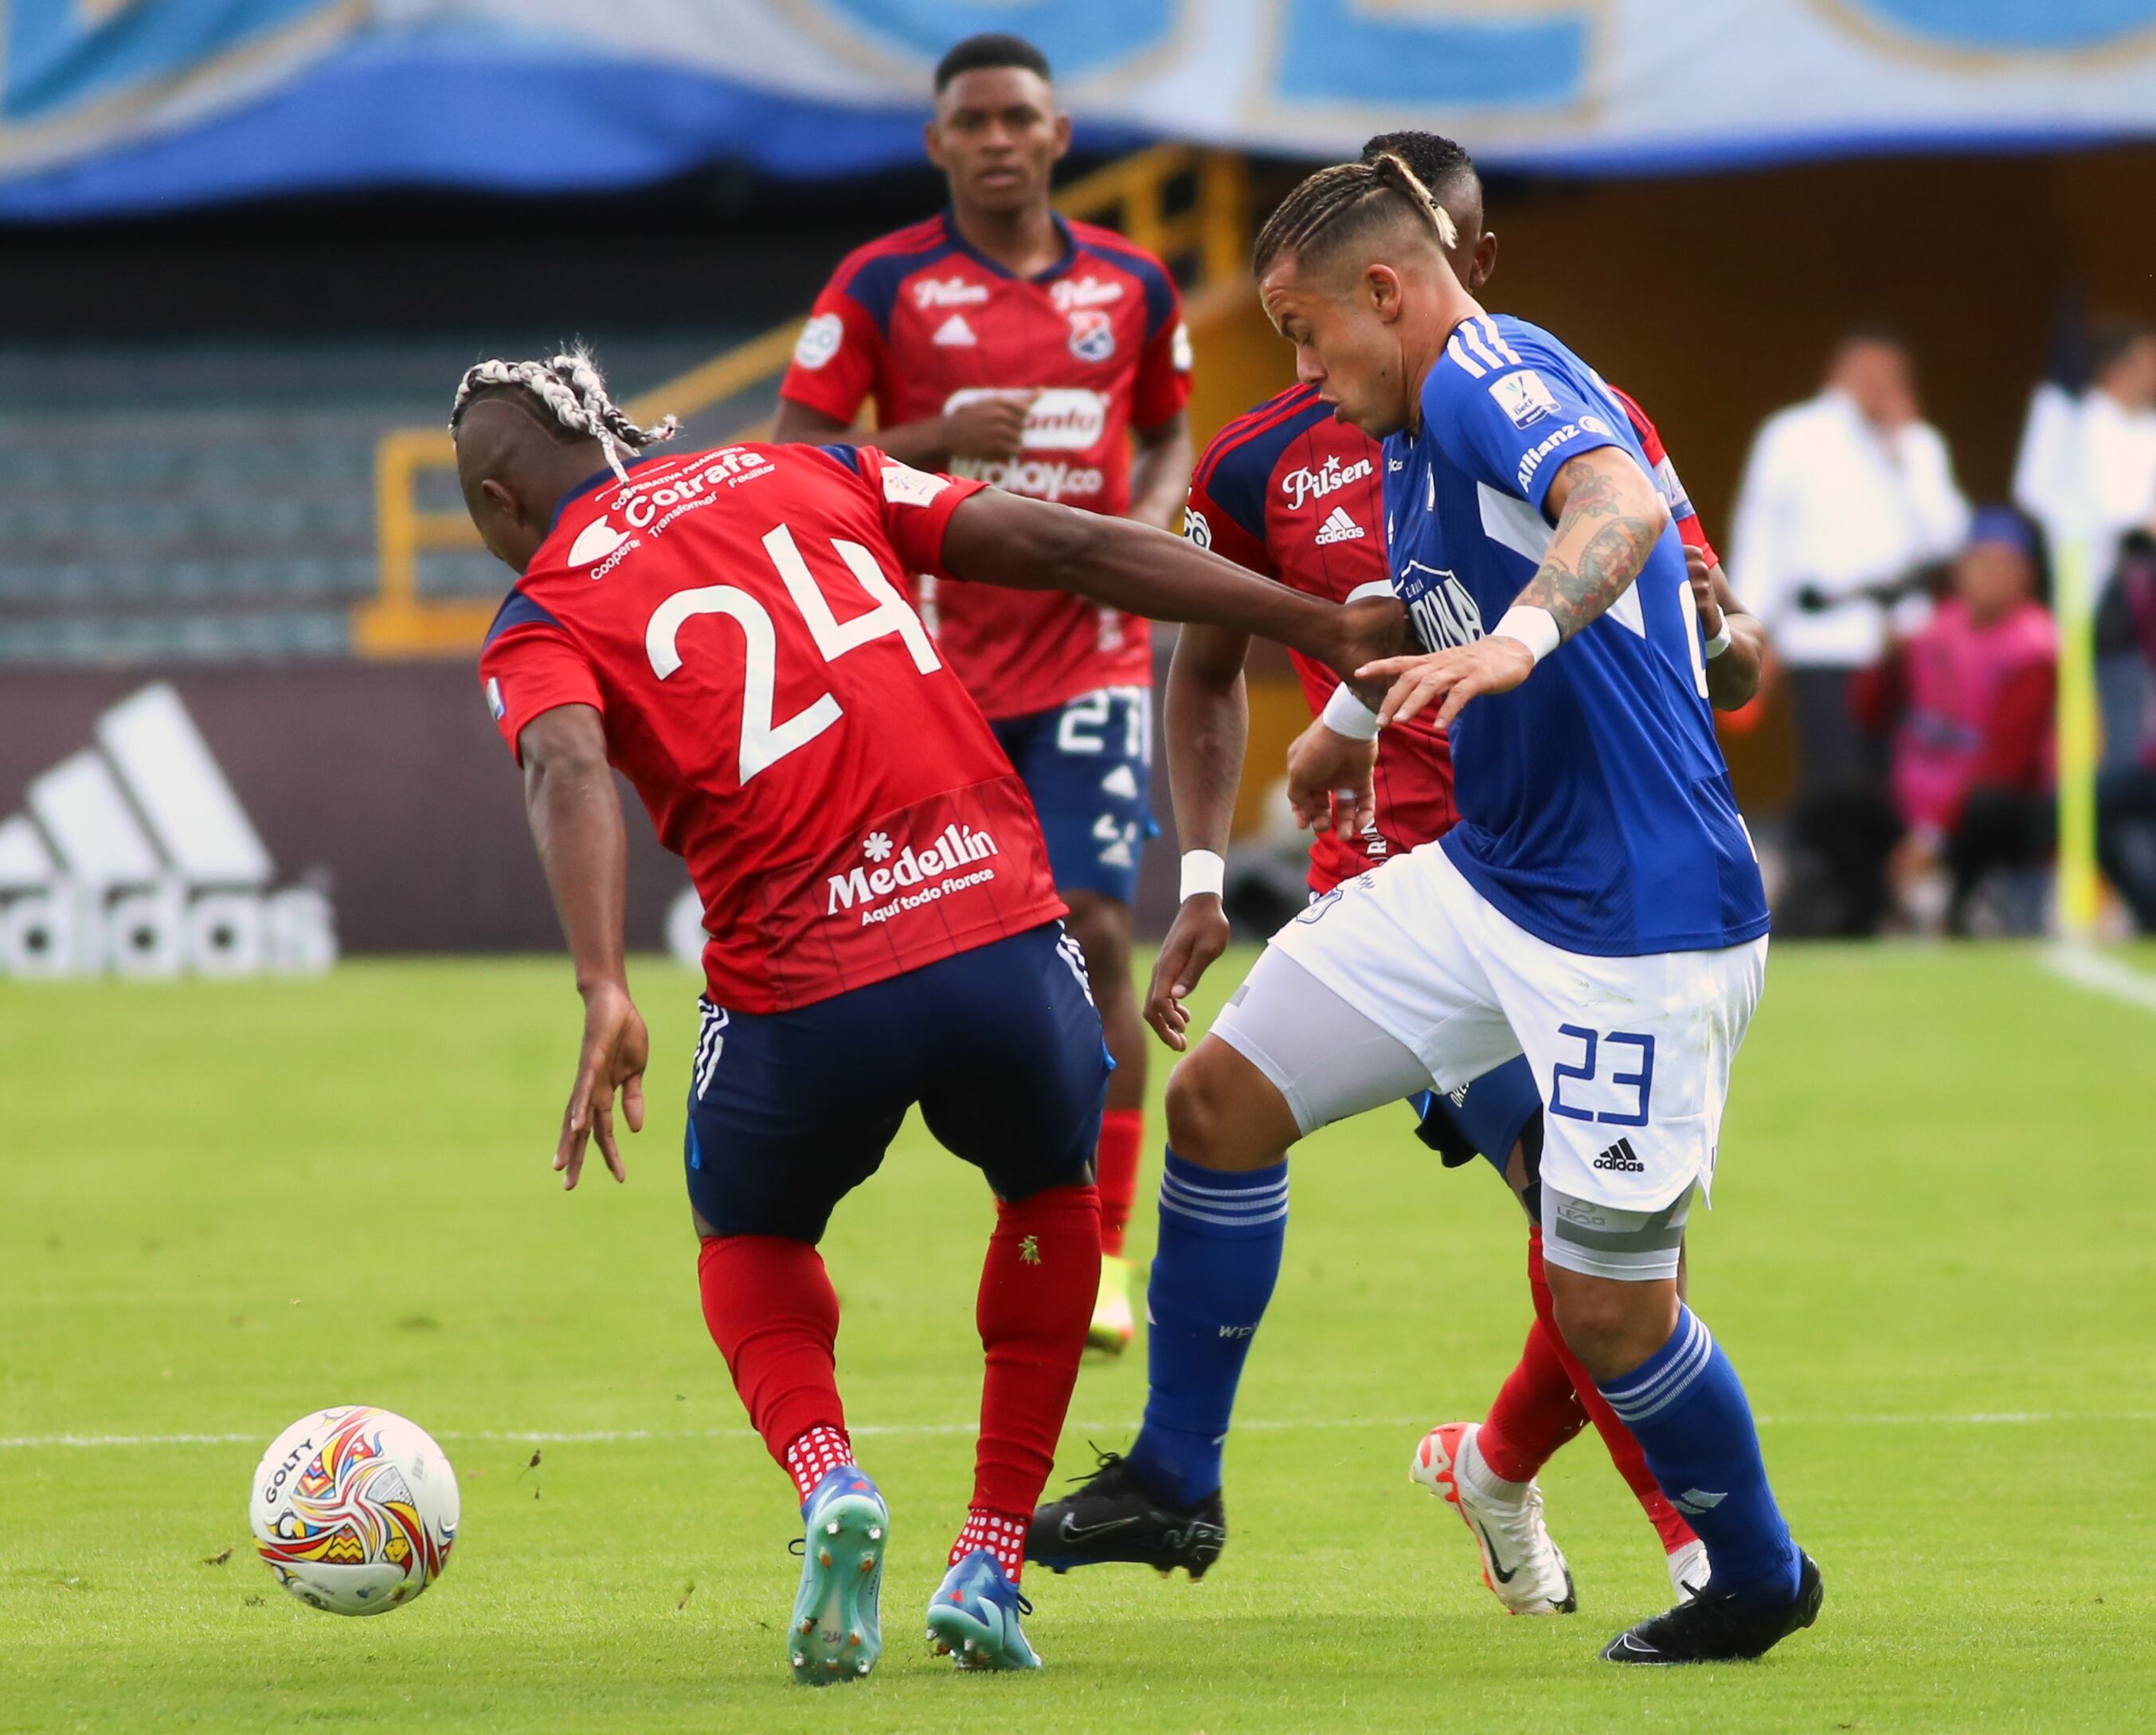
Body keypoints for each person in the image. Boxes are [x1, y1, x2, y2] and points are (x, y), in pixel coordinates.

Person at [452, 350, 1394, 1682]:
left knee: (751, 1229)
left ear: (500, 498)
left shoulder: (538, 613)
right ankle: (994, 1555)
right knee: (1047, 1193)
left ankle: (830, 1476)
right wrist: (1311, 620)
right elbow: (1067, 540)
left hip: (803, 990)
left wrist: (604, 977)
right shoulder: (806, 468)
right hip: (999, 939)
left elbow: (562, 761)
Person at [1031, 156, 1821, 1666]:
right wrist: (1359, 687)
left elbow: (1609, 503)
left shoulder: (1482, 375)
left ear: (1387, 292)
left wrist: (1524, 640)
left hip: (1638, 926)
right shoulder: (1399, 424)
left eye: (1306, 331)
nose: (1303, 369)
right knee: (1217, 1101)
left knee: (1609, 1314)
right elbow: (1461, 579)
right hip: (1488, 878)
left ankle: (1759, 1572)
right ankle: (1175, 1480)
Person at [772, 32, 1193, 1355]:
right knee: (932, 953)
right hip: (929, 665)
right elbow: (796, 460)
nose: (999, 137)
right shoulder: (882, 283)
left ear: (1060, 133)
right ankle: (969, 1188)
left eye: (1020, 116)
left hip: (1089, 657)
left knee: (1096, 927)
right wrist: (934, 444)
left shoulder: (1132, 284)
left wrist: (1152, 532)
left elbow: (1168, 426)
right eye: (974, 120)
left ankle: (1105, 1242)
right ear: (938, 143)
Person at [1731, 329, 1969, 934]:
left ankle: (1878, 901)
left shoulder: (1917, 444)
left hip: (1899, 638)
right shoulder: (1793, 436)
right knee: (1836, 781)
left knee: (1901, 780)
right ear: (1843, 370)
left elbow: (1946, 536)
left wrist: (1903, 451)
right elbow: (1764, 534)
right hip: (1824, 638)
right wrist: (1753, 625)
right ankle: (1830, 892)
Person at [1852, 507, 2056, 935]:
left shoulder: (2035, 647)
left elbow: (2007, 761)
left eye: (1998, 565)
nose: (1983, 575)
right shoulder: (1930, 631)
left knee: (1989, 808)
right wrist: (1886, 660)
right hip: (1918, 801)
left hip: (1983, 810)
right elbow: (1868, 714)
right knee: (1834, 807)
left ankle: (1959, 911)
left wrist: (1931, 837)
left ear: (2026, 575)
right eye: (1975, 562)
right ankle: (1871, 914)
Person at [2014, 315, 2156, 774]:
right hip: (2105, 611)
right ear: (2119, 366)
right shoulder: (2077, 423)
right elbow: (2052, 498)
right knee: (2111, 738)